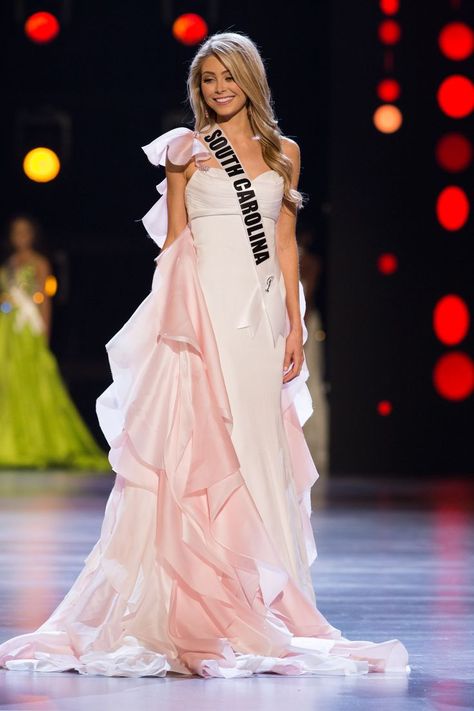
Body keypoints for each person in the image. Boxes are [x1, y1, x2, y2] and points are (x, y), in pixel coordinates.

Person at [0, 33, 409, 678]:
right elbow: (175, 247)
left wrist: (295, 324)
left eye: (228, 77)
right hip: (204, 315)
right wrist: (174, 328)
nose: (219, 89)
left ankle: (259, 590)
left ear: (250, 81)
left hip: (263, 315)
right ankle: (194, 597)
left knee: (258, 447)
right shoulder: (187, 151)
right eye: (208, 79)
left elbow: (285, 239)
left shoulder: (285, 154)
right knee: (201, 447)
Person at [0, 214, 109, 470]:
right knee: (9, 381)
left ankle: (36, 441)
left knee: (33, 379)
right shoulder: (8, 264)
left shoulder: (39, 262)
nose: (21, 237)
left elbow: (43, 297)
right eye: (17, 232)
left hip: (29, 328)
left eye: (25, 232)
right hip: (7, 328)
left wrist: (45, 330)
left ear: (33, 235)